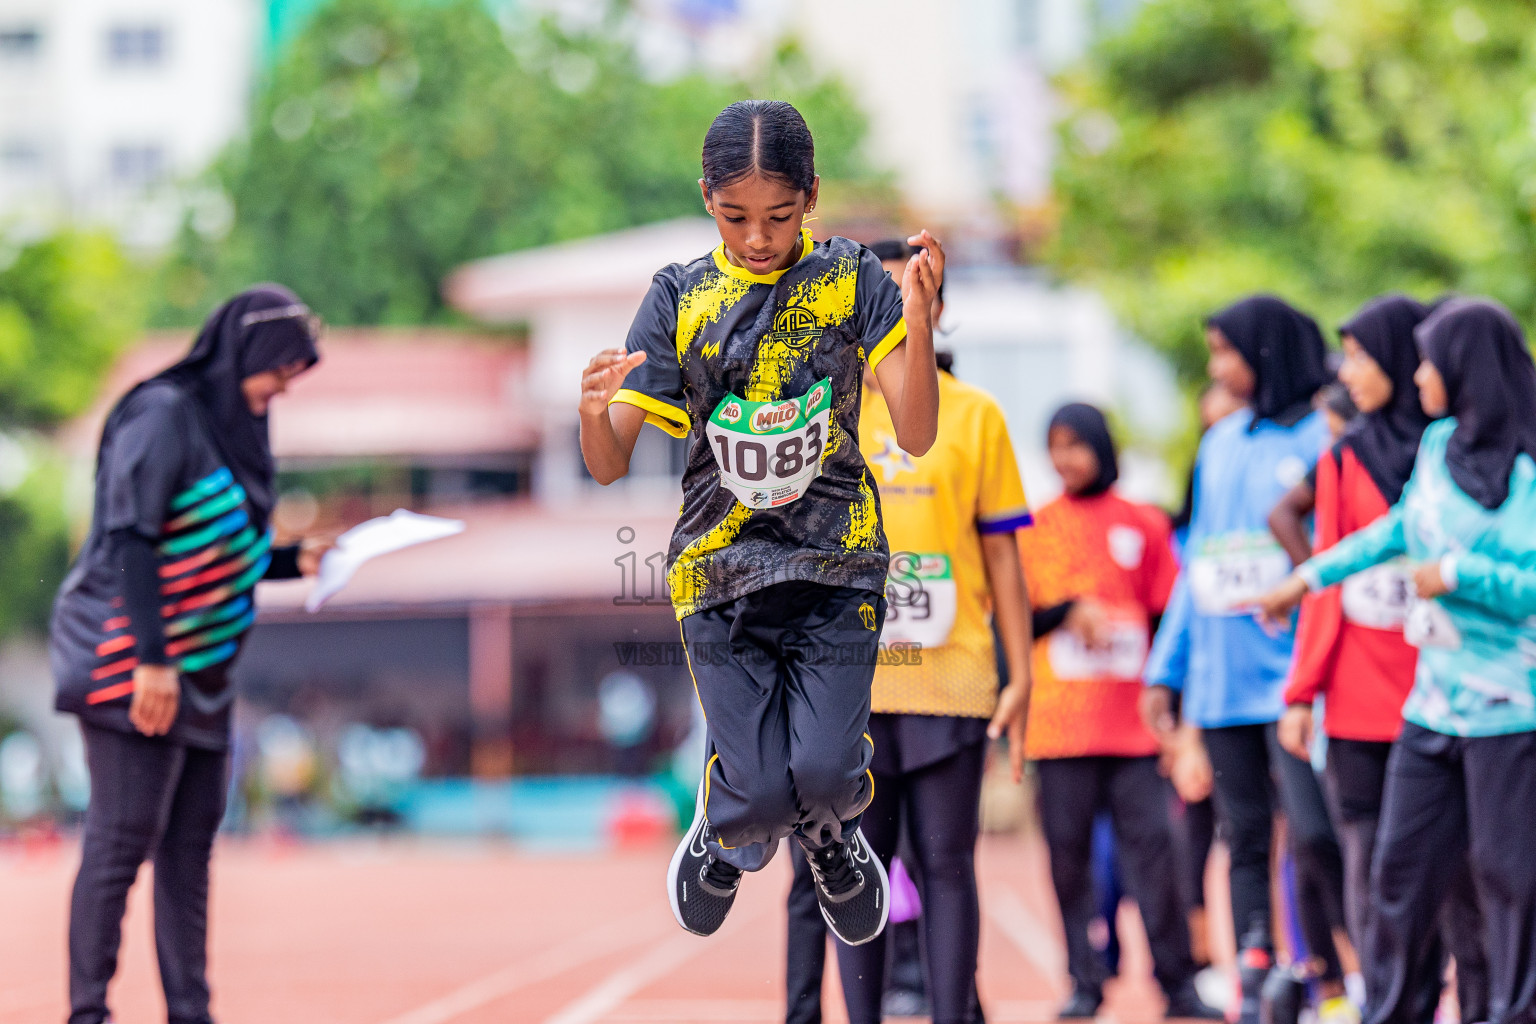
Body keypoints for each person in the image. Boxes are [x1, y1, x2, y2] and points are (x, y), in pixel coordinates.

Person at [578, 100, 954, 948]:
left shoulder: (853, 280)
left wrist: (918, 317)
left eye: (780, 217)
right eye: (735, 216)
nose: (758, 237)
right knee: (755, 798)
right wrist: (592, 412)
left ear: (812, 197)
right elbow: (606, 463)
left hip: (838, 565)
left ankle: (830, 838)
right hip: (718, 575)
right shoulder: (679, 296)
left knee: (822, 775)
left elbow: (920, 431)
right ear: (705, 197)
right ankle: (724, 827)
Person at [50, 285, 324, 1024]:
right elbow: (133, 536)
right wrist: (152, 660)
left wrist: (293, 560)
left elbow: (218, 547)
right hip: (130, 661)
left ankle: (189, 1011)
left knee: (188, 850)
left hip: (202, 671)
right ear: (246, 353)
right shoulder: (165, 414)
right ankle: (88, 1013)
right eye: (281, 369)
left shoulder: (238, 430)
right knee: (121, 838)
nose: (284, 387)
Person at [1258, 297, 1536, 1024]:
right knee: (1399, 872)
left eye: (1429, 361)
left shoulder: (1532, 466)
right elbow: (1393, 530)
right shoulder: (1440, 445)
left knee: (1509, 878)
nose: (1417, 375)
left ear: (1465, 366)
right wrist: (1307, 576)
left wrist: (1458, 573)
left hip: (1509, 710)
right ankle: (1388, 1011)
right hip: (1433, 703)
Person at [790, 239, 1033, 1024]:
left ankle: (953, 1015)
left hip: (950, 678)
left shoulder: (976, 417)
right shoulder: (821, 413)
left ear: (939, 307)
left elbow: (1003, 554)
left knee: (948, 865)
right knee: (858, 870)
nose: (894, 311)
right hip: (847, 687)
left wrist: (1020, 672)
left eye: (913, 296)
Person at [1140, 295, 1351, 1024]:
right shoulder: (1221, 443)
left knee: (1320, 834)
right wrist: (1165, 670)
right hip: (1224, 684)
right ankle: (1257, 969)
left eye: (1226, 350)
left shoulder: (1327, 440)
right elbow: (1198, 569)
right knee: (1245, 838)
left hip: (1299, 682)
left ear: (1265, 353)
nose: (1216, 366)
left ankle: (1341, 968)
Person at [1019, 402, 1221, 1020]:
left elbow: (1170, 620)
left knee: (1158, 858)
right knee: (1068, 862)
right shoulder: (1032, 526)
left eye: (1076, 445)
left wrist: (1180, 725)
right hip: (1060, 731)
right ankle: (1084, 981)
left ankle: (1177, 982)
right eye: (1054, 446)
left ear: (1103, 448)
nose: (1064, 459)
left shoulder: (1146, 523)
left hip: (1135, 730)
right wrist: (1066, 613)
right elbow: (1013, 618)